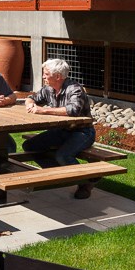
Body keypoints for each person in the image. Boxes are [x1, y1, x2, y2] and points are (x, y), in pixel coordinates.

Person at [22, 58, 96, 199]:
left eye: (46, 73)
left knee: (63, 155)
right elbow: (31, 97)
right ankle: (59, 173)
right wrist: (30, 104)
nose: (43, 76)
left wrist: (44, 111)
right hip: (62, 131)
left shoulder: (74, 89)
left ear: (58, 76)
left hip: (82, 132)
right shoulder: (48, 89)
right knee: (29, 146)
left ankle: (87, 182)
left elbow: (73, 110)